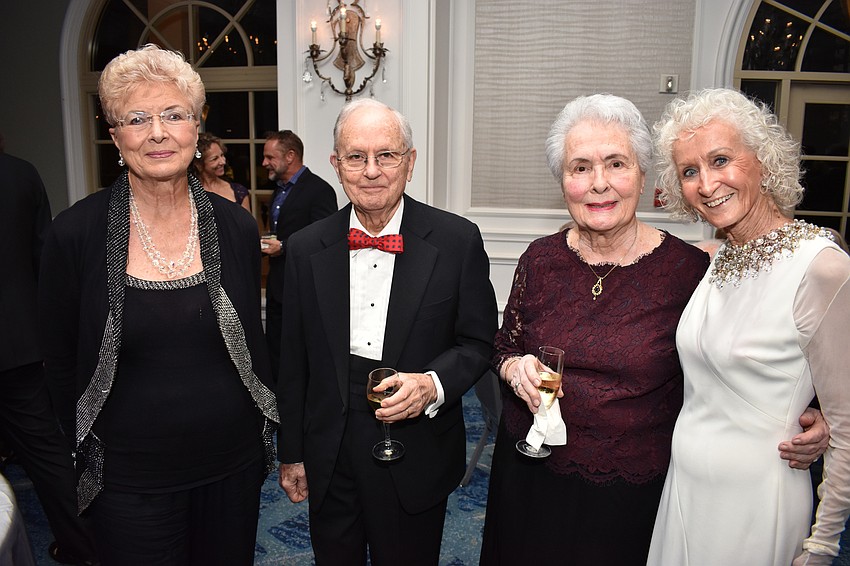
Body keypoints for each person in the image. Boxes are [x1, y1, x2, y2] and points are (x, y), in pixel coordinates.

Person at [478, 94, 828, 566]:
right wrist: (514, 366)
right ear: (562, 183)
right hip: (530, 473)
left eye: (616, 164)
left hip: (630, 492)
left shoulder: (689, 271)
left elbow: (751, 350)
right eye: (580, 167)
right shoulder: (539, 259)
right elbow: (503, 344)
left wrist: (816, 412)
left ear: (643, 176)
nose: (598, 183)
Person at [38, 44, 278, 565]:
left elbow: (254, 341)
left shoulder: (236, 226)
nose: (157, 133)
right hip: (129, 475)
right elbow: (57, 360)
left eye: (173, 114)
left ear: (196, 127)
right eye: (137, 119)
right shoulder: (74, 234)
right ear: (114, 134)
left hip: (232, 465)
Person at [276, 98, 497, 565]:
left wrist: (431, 384)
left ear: (410, 163)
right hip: (330, 445)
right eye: (356, 157)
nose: (371, 171)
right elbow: (292, 359)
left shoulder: (457, 241)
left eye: (387, 155)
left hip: (417, 442)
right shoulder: (305, 247)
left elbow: (478, 343)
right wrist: (292, 452)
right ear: (337, 165)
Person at [647, 87, 850, 566]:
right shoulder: (714, 259)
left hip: (756, 500)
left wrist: (822, 547)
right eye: (689, 171)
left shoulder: (822, 267)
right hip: (685, 490)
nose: (707, 184)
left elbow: (846, 428)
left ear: (763, 161)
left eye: (721, 160)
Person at [0, 140, 98, 565]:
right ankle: (84, 545)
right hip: (17, 341)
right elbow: (43, 262)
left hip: (18, 344)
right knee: (47, 452)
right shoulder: (20, 173)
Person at [260, 129, 336, 382]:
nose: (264, 163)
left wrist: (283, 246)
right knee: (276, 349)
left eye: (270, 157)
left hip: (304, 286)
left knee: (299, 355)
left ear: (290, 156)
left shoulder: (320, 190)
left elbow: (326, 239)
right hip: (277, 283)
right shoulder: (278, 191)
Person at [191, 131, 251, 211]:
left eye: (222, 155)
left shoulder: (238, 192)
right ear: (198, 164)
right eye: (215, 159)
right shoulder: (190, 192)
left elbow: (246, 219)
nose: (223, 162)